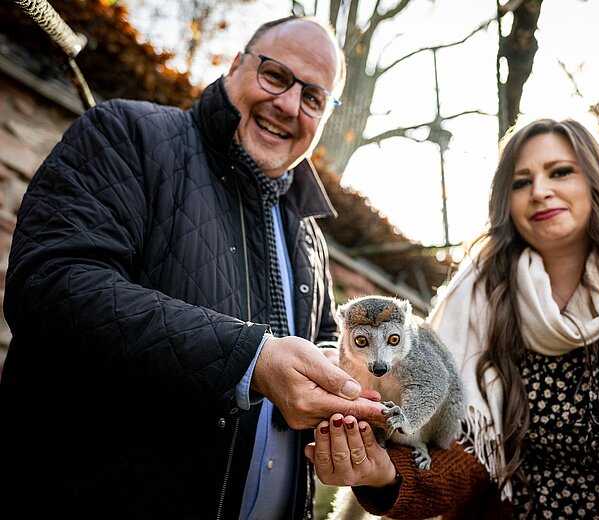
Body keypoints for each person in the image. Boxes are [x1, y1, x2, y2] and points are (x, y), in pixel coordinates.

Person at [0, 15, 388, 519]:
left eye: (313, 98)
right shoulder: (128, 134)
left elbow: (320, 349)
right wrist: (251, 359)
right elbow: (51, 286)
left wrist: (348, 405)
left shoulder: (309, 238)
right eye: (275, 76)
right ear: (234, 66)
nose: (290, 105)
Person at [306, 119, 599, 519]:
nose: (540, 191)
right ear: (505, 202)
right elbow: (462, 453)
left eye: (560, 172)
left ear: (596, 181)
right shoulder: (479, 299)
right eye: (521, 181)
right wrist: (387, 474)